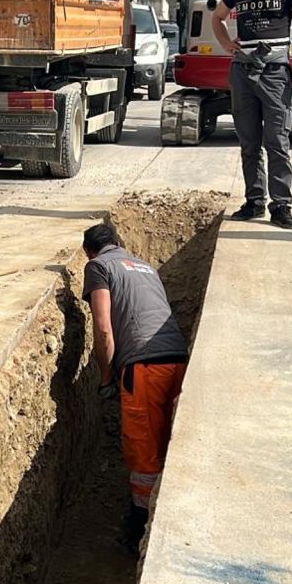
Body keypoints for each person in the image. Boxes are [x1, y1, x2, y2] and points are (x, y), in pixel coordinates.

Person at [81, 223, 189, 550]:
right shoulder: (145, 267)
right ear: (118, 242)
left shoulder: (98, 267)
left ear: (88, 251)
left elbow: (103, 329)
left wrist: (105, 378)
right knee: (169, 439)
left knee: (143, 448)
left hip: (144, 367)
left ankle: (140, 529)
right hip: (179, 360)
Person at [211, 0, 292, 229]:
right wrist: (226, 43)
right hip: (243, 71)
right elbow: (217, 19)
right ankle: (254, 200)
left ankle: (281, 205)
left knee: (277, 141)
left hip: (275, 72)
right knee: (249, 141)